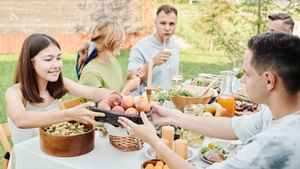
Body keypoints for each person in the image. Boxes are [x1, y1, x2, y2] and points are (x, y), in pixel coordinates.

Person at [119, 32, 300, 169]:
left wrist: (154, 141)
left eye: (246, 74)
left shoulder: (273, 144)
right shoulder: (278, 112)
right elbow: (233, 127)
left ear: (269, 80)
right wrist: (173, 117)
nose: (243, 81)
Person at [5, 33, 114, 144]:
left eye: (58, 58)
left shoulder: (60, 83)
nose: (57, 65)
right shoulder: (14, 93)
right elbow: (21, 120)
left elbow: (93, 91)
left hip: (55, 149)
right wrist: (69, 114)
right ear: (31, 63)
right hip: (27, 156)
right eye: (48, 59)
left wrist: (116, 96)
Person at [76, 21, 143, 95]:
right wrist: (127, 89)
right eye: (120, 41)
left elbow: (117, 91)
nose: (123, 45)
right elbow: (101, 106)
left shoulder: (113, 62)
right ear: (107, 43)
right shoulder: (91, 73)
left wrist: (129, 80)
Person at [127, 4, 180, 93]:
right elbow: (131, 79)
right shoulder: (140, 48)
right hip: (147, 102)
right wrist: (153, 63)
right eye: (163, 23)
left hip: (170, 102)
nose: (167, 28)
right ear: (155, 23)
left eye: (171, 24)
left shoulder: (175, 46)